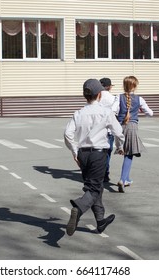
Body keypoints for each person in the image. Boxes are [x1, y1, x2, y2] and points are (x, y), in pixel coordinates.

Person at [64, 78, 125, 236]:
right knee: (94, 188)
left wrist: (74, 151)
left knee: (94, 187)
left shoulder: (79, 113)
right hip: (99, 154)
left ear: (85, 96)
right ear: (99, 95)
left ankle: (100, 221)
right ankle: (78, 208)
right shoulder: (106, 112)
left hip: (83, 154)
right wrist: (119, 147)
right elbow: (119, 132)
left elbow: (67, 134)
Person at [117, 76, 153, 193]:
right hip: (132, 127)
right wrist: (141, 110)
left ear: (124, 86)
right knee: (129, 154)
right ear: (135, 86)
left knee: (126, 152)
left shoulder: (118, 97)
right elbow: (150, 113)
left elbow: (113, 110)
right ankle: (122, 179)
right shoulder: (139, 99)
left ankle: (127, 178)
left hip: (120, 126)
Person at [99, 77, 119, 182]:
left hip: (97, 129)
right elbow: (117, 112)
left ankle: (97, 172)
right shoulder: (113, 98)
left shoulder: (96, 98)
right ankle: (105, 174)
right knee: (107, 152)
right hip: (109, 129)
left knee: (97, 152)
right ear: (109, 87)